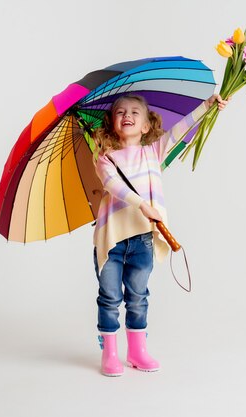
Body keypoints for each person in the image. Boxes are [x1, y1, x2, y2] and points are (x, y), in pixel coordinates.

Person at [92, 93, 228, 376]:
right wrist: (142, 204)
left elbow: (182, 130)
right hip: (113, 239)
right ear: (112, 123)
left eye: (134, 112)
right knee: (110, 296)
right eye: (119, 112)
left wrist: (208, 105)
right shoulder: (105, 158)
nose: (126, 115)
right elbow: (113, 185)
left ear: (145, 125)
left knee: (138, 296)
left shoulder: (154, 151)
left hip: (143, 238)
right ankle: (110, 353)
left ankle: (138, 351)